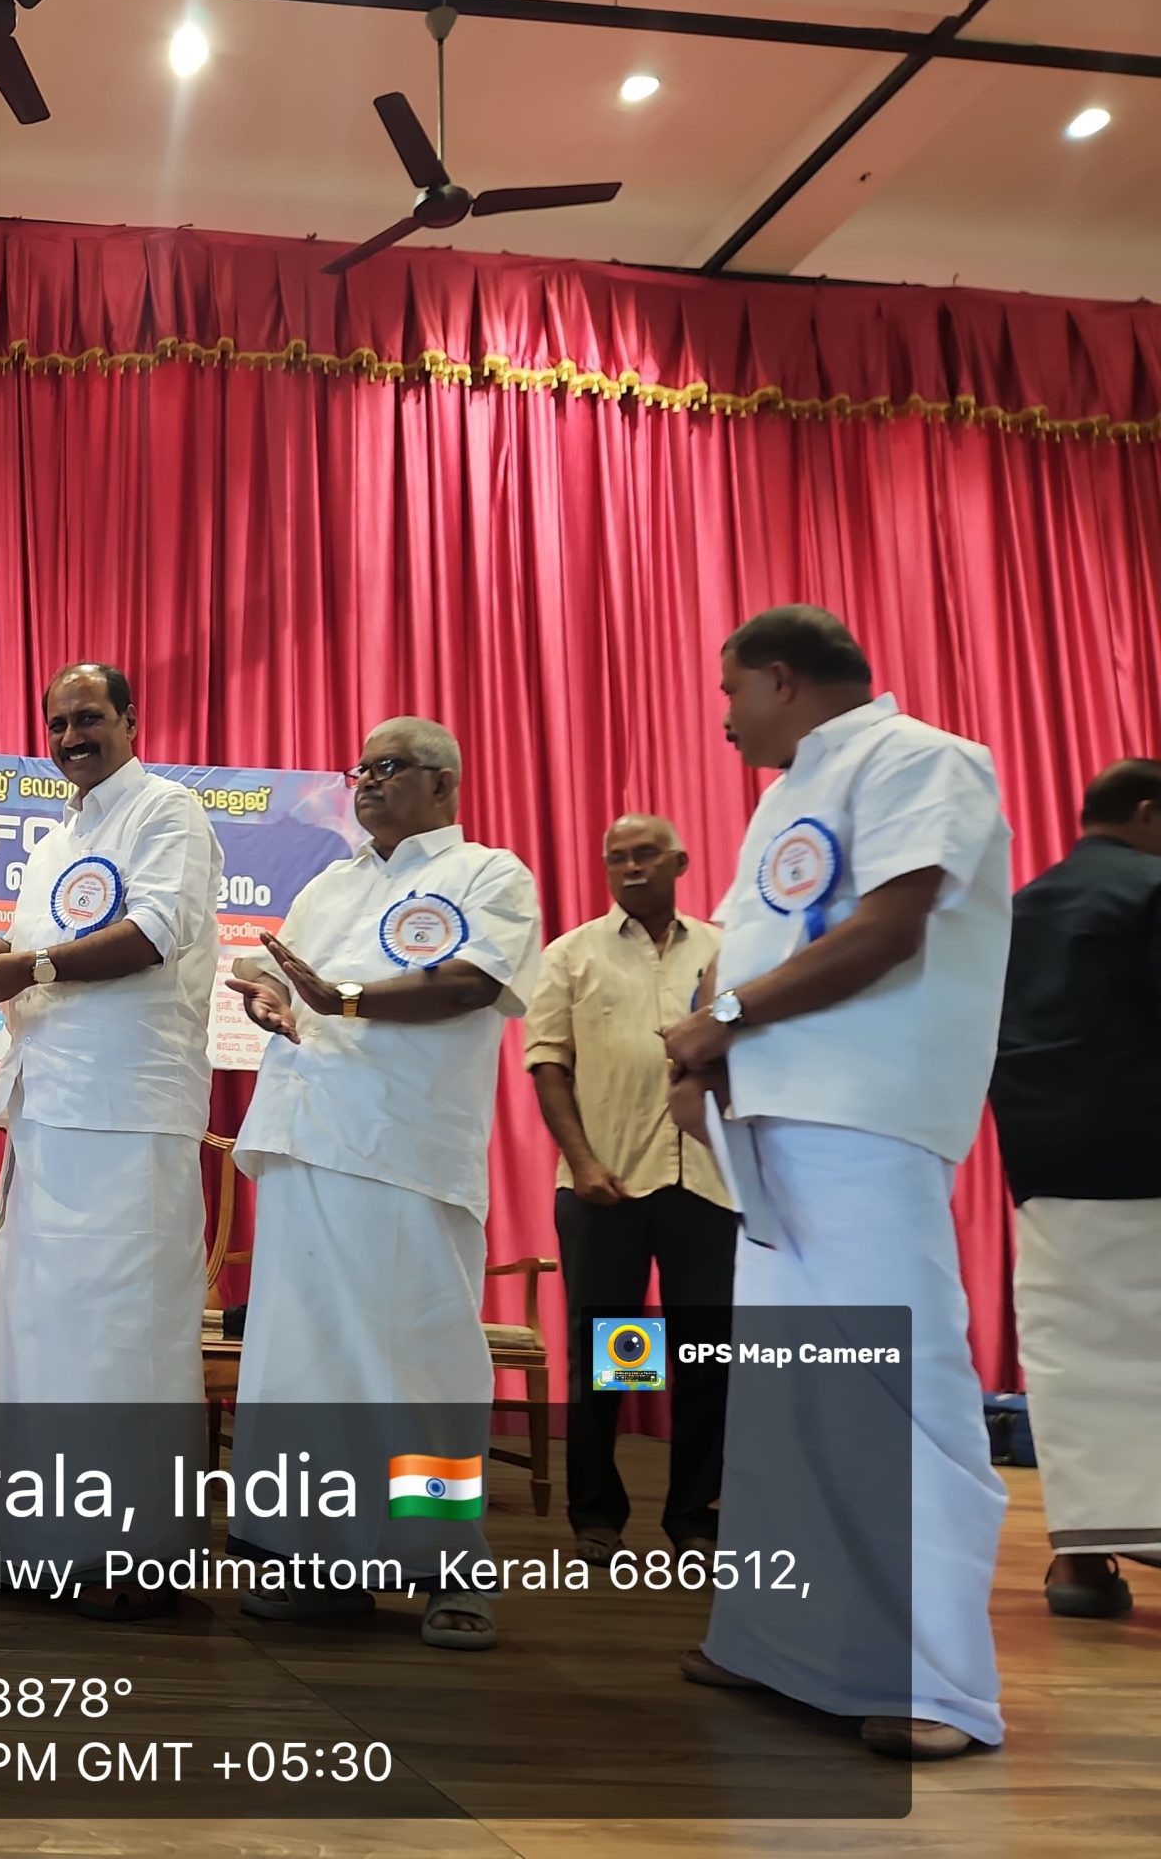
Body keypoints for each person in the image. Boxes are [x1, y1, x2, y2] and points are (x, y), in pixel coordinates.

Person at [662, 603, 1010, 1761]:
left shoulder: (923, 759)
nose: (723, 718)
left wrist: (720, 1018)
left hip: (867, 1114)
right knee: (787, 1396)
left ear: (780, 678)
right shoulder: (785, 792)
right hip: (770, 1117)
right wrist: (705, 1066)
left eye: (729, 692)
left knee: (896, 1392)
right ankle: (780, 1645)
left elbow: (889, 929)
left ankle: (937, 1684)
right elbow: (746, 945)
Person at [223, 717, 543, 1650]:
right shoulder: (332, 883)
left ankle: (452, 1565)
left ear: (443, 783)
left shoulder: (489, 874)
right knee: (303, 1367)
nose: (365, 780)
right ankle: (318, 1564)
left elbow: (473, 981)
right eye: (359, 767)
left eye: (388, 766)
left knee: (420, 1363)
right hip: (301, 1138)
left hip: (404, 1147)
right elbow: (278, 974)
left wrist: (346, 999)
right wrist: (268, 996)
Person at [0, 664, 224, 1619]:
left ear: (131, 720)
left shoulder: (168, 812)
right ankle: (31, 1542)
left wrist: (33, 966)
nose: (70, 738)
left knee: (121, 1333)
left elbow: (154, 934)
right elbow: (44, 964)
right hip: (49, 1108)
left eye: (89, 718)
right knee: (41, 1330)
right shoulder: (57, 838)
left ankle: (125, 1556)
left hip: (129, 1111)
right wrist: (0, 961)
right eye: (57, 723)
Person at [525, 815, 737, 1563]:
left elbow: (750, 1035)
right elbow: (549, 1064)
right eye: (616, 857)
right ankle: (597, 1515)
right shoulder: (572, 953)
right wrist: (581, 1163)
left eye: (646, 854)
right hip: (605, 1187)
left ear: (680, 861)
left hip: (707, 1186)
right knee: (613, 1358)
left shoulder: (723, 949)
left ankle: (694, 1519)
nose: (631, 867)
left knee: (707, 1360)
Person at [988, 757, 1161, 1619]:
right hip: (1147, 1153)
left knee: (1070, 1359)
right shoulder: (1152, 891)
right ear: (1149, 813)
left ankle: (1080, 1564)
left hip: (1044, 1164)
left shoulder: (1016, 908)